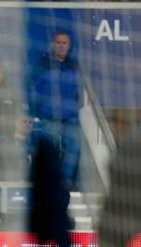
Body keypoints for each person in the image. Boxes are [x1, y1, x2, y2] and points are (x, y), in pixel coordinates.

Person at [30, 31, 81, 189]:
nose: (61, 45)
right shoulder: (43, 64)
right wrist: (39, 112)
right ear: (53, 44)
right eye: (58, 42)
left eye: (64, 43)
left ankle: (65, 182)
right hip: (48, 118)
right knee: (47, 149)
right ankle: (49, 181)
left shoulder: (74, 66)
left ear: (69, 46)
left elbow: (78, 92)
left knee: (74, 145)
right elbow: (34, 91)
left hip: (69, 119)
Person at [0, 110, 35, 181]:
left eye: (30, 122)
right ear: (16, 123)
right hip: (9, 183)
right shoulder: (3, 143)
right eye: (24, 121)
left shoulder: (37, 143)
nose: (28, 124)